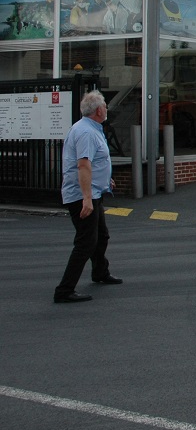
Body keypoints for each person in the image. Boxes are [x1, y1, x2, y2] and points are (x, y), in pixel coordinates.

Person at [54, 90, 123, 303]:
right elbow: (83, 165)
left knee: (101, 236)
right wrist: (86, 198)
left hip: (93, 192)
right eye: (105, 106)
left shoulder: (90, 128)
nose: (107, 109)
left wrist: (104, 181)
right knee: (86, 242)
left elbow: (95, 162)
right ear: (99, 110)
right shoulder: (86, 132)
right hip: (83, 196)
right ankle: (64, 290)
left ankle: (100, 272)